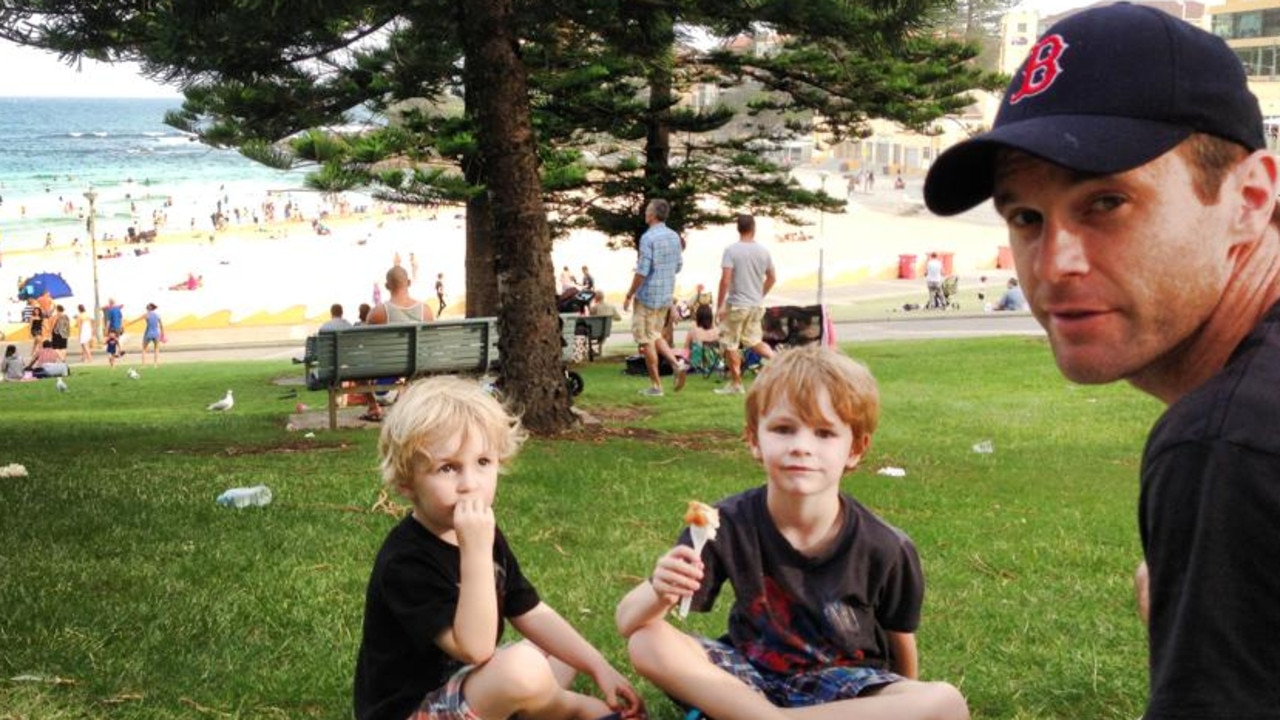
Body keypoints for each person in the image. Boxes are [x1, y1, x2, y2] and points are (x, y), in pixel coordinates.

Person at [922, 5, 1280, 718]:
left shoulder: (1227, 442)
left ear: (1249, 199)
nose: (1055, 264)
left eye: (1107, 202)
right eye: (1026, 217)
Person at [616, 346, 968, 720]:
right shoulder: (723, 525)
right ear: (754, 439)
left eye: (824, 433)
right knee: (648, 640)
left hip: (842, 688)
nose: (802, 446)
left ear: (856, 449)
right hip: (745, 679)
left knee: (946, 701)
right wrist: (659, 588)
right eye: (784, 429)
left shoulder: (885, 546)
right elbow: (627, 622)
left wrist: (896, 706)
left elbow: (901, 644)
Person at [353, 376, 643, 720]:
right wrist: (474, 552)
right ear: (406, 483)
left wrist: (598, 666)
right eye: (448, 468)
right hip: (413, 710)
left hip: (467, 688)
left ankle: (536, 703)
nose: (470, 484)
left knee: (555, 652)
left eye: (483, 462)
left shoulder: (485, 533)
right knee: (522, 669)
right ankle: (577, 711)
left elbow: (530, 610)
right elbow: (476, 648)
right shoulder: (405, 562)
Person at [623, 198, 687, 396]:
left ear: (652, 215)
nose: (645, 213)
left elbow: (642, 271)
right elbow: (678, 266)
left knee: (645, 340)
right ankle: (676, 365)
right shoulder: (674, 236)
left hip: (647, 296)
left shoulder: (648, 238)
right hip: (665, 297)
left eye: (647, 211)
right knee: (655, 334)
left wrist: (629, 294)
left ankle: (656, 386)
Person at [361, 266, 436, 422]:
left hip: (387, 370)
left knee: (355, 362)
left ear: (387, 286)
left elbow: (366, 347)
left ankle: (373, 406)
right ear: (409, 282)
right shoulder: (426, 311)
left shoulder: (377, 313)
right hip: (418, 368)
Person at [715, 213, 777, 395]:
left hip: (736, 305)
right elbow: (772, 277)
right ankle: (779, 361)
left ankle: (736, 384)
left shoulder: (731, 250)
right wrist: (760, 294)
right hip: (755, 305)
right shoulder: (763, 251)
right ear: (754, 228)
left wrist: (719, 306)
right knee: (754, 341)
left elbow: (725, 280)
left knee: (730, 343)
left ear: (738, 228)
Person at [683, 303, 720, 374]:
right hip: (715, 365)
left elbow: (686, 349)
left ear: (698, 317)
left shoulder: (693, 330)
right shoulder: (717, 331)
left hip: (697, 366)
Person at [140, 302, 164, 368]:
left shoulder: (146, 315)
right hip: (156, 333)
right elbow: (161, 325)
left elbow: (137, 319)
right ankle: (155, 364)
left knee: (144, 349)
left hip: (148, 333)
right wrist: (162, 334)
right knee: (156, 349)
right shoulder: (157, 315)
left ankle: (143, 365)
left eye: (147, 306)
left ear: (149, 308)